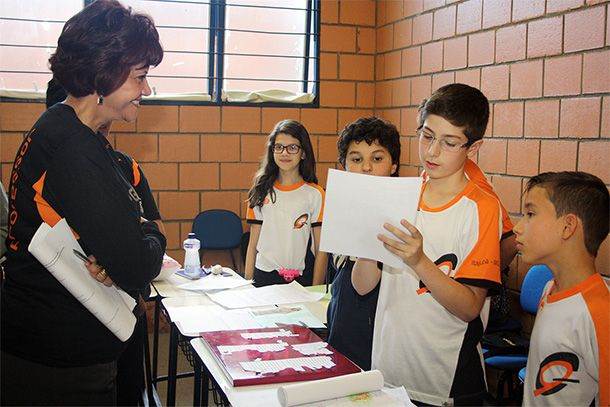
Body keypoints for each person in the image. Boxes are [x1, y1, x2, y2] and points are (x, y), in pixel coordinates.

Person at [1, 1, 166, 405]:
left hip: (49, 344)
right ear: (104, 75)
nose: (146, 90)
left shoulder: (64, 131)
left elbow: (102, 245)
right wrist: (149, 233)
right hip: (58, 359)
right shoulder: (74, 148)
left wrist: (115, 256)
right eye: (140, 77)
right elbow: (137, 264)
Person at [352, 83, 502, 405]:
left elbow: (469, 308)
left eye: (449, 143)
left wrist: (419, 261)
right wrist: (365, 241)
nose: (432, 151)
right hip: (389, 369)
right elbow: (363, 286)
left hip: (445, 381)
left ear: (473, 148)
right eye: (427, 136)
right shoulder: (400, 193)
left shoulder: (482, 208)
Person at [45, 77, 164, 406]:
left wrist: (141, 240)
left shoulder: (125, 165)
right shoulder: (60, 161)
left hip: (125, 307)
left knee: (129, 390)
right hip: (76, 323)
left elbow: (152, 226)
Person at [515, 172, 609, 407]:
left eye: (530, 214)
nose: (517, 227)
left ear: (568, 227)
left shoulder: (600, 313)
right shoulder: (550, 288)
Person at [326, 117, 400, 370]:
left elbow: (364, 285)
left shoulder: (403, 212)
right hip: (343, 328)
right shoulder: (341, 208)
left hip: (379, 336)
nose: (366, 167)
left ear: (393, 165)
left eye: (377, 158)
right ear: (344, 165)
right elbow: (345, 277)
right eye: (356, 159)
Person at [245, 120, 327, 287]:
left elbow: (321, 250)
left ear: (303, 153)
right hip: (263, 277)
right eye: (279, 147)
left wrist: (316, 288)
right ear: (272, 151)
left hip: (301, 280)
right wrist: (247, 284)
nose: (284, 153)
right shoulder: (261, 190)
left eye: (293, 147)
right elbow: (252, 245)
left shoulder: (315, 194)